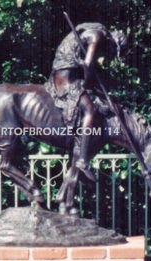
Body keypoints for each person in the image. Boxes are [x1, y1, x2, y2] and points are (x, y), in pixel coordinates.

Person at [45, 23, 127, 181]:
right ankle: (82, 158)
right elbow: (88, 64)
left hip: (72, 72)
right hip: (66, 76)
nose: (108, 54)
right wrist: (87, 85)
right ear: (113, 42)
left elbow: (90, 65)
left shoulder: (96, 34)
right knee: (90, 109)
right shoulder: (98, 36)